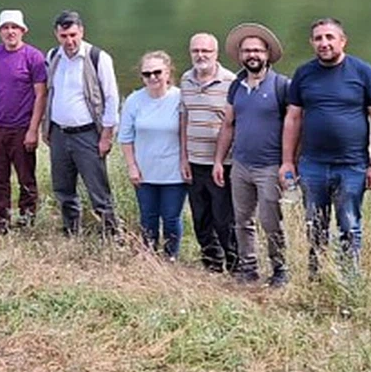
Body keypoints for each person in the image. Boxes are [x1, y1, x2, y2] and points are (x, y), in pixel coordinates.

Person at [280, 18, 371, 274]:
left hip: (352, 165)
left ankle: (348, 280)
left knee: (349, 225)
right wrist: (287, 161)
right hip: (312, 165)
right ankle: (316, 276)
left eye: (330, 37)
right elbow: (293, 119)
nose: (324, 43)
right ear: (312, 43)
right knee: (314, 225)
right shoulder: (303, 73)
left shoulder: (363, 72)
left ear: (343, 41)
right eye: (318, 38)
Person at [214, 23, 291, 287]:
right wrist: (218, 161)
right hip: (240, 165)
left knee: (271, 222)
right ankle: (248, 269)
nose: (252, 55)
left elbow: (295, 126)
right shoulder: (236, 86)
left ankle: (280, 269)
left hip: (270, 166)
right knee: (242, 221)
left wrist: (289, 164)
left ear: (267, 54)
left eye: (257, 50)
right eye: (247, 51)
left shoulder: (282, 86)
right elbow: (228, 125)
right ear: (240, 55)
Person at [45, 10, 121, 236]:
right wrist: (46, 128)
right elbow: (50, 93)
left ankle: (111, 234)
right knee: (63, 188)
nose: (69, 41)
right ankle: (71, 232)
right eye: (64, 36)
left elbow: (112, 98)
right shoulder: (53, 56)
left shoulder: (98, 57)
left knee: (98, 189)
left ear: (81, 32)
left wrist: (106, 136)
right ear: (56, 35)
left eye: (73, 35)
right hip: (59, 133)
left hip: (87, 134)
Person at [0, 10, 47, 235]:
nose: (10, 32)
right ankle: (1, 222)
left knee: (26, 178)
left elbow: (41, 95)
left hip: (21, 127)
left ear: (23, 30)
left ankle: (27, 220)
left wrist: (33, 129)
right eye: (5, 28)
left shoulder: (34, 56)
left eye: (14, 27)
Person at [179, 33, 238, 274]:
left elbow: (234, 123)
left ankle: (235, 265)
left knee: (224, 219)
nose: (200, 55)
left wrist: (220, 161)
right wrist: (184, 157)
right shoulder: (186, 80)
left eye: (206, 51)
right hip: (194, 161)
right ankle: (211, 263)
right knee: (200, 217)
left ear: (216, 53)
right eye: (196, 51)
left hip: (222, 164)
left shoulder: (231, 82)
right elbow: (184, 119)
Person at [119, 51, 188, 260]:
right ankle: (149, 256)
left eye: (157, 72)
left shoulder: (180, 98)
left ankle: (170, 257)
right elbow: (126, 137)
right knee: (148, 217)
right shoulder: (134, 100)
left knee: (171, 217)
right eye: (147, 74)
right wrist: (132, 166)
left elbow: (187, 134)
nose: (152, 77)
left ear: (167, 73)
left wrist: (186, 163)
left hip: (174, 171)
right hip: (144, 171)